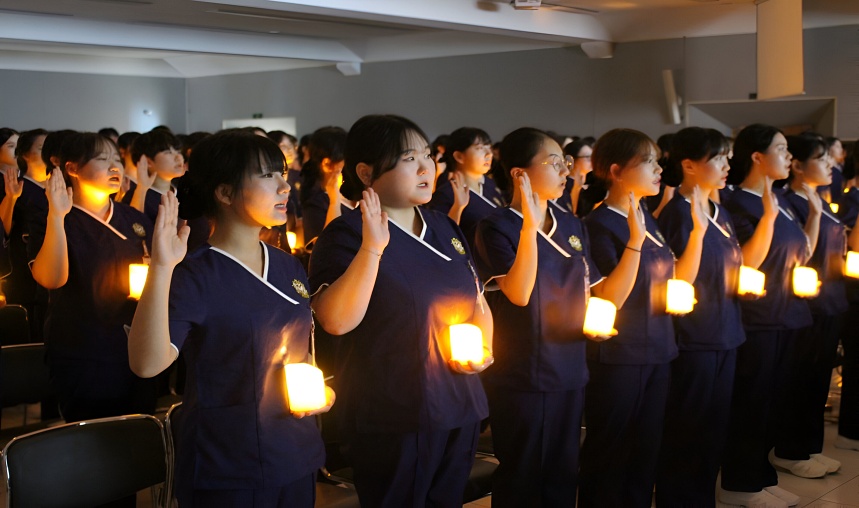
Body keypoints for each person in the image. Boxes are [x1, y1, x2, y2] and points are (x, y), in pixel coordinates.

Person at [128, 130, 332, 507]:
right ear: (224, 193)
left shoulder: (288, 266)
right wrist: (160, 268)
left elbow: (301, 355)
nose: (285, 186)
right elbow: (146, 364)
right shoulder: (195, 273)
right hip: (227, 463)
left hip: (295, 451)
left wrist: (322, 392)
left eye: (283, 174)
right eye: (268, 176)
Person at [308, 114, 493, 507]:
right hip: (394, 413)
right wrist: (371, 250)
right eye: (410, 158)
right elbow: (335, 321)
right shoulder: (345, 236)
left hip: (459, 403)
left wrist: (484, 349)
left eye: (428, 155)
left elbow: (477, 299)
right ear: (366, 171)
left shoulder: (443, 227)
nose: (428, 168)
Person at [473, 127, 641, 507]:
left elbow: (602, 293)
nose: (565, 171)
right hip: (523, 374)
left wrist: (635, 242)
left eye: (565, 163)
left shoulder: (571, 224)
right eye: (553, 163)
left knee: (564, 469)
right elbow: (519, 292)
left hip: (570, 365)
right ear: (519, 174)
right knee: (525, 472)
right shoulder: (496, 226)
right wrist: (530, 228)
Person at [578, 128, 708, 508]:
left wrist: (698, 233)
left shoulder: (645, 216)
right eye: (648, 161)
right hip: (620, 355)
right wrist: (634, 240)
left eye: (656, 160)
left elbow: (678, 279)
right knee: (611, 449)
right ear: (616, 170)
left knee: (646, 447)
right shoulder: (599, 224)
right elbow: (610, 297)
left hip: (658, 348)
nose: (658, 169)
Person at [720, 124, 819, 508]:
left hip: (790, 314)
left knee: (774, 402)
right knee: (751, 402)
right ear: (757, 157)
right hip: (758, 318)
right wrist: (767, 217)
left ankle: (761, 475)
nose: (788, 157)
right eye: (780, 149)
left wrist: (812, 213)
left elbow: (802, 254)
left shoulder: (781, 199)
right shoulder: (738, 202)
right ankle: (739, 483)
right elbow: (749, 262)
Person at [31, 132, 157, 423]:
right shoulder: (50, 217)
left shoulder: (132, 219)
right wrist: (56, 217)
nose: (116, 168)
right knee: (94, 440)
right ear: (72, 168)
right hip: (83, 349)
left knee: (140, 435)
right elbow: (52, 279)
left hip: (135, 346)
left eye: (117, 160)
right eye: (103, 160)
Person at [654, 127, 746, 507]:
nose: (727, 165)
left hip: (726, 331)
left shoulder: (718, 209)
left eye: (727, 156)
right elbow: (675, 279)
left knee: (713, 427)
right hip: (696, 337)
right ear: (689, 165)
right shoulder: (679, 213)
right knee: (688, 427)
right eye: (718, 158)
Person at [772, 132, 854, 477]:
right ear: (799, 166)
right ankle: (791, 449)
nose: (831, 166)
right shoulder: (790, 202)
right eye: (822, 159)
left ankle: (808, 447)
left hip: (833, 299)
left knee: (819, 379)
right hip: (810, 303)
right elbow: (803, 251)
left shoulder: (820, 200)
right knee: (802, 379)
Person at [428, 127, 506, 250]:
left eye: (489, 147)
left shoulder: (489, 184)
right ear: (459, 156)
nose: (489, 154)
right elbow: (440, 239)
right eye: (480, 148)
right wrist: (458, 208)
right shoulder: (447, 194)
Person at [5, 128, 49, 341]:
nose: (48, 154)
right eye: (42, 148)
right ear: (24, 154)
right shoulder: (18, 187)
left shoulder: (56, 188)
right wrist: (12, 198)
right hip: (24, 270)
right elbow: (5, 229)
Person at [299, 126, 350, 245]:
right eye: (347, 159)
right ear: (327, 164)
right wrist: (334, 203)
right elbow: (327, 246)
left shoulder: (359, 196)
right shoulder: (316, 204)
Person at [555, 137, 594, 216]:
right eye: (588, 157)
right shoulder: (564, 186)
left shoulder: (592, 184)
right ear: (572, 160)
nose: (593, 161)